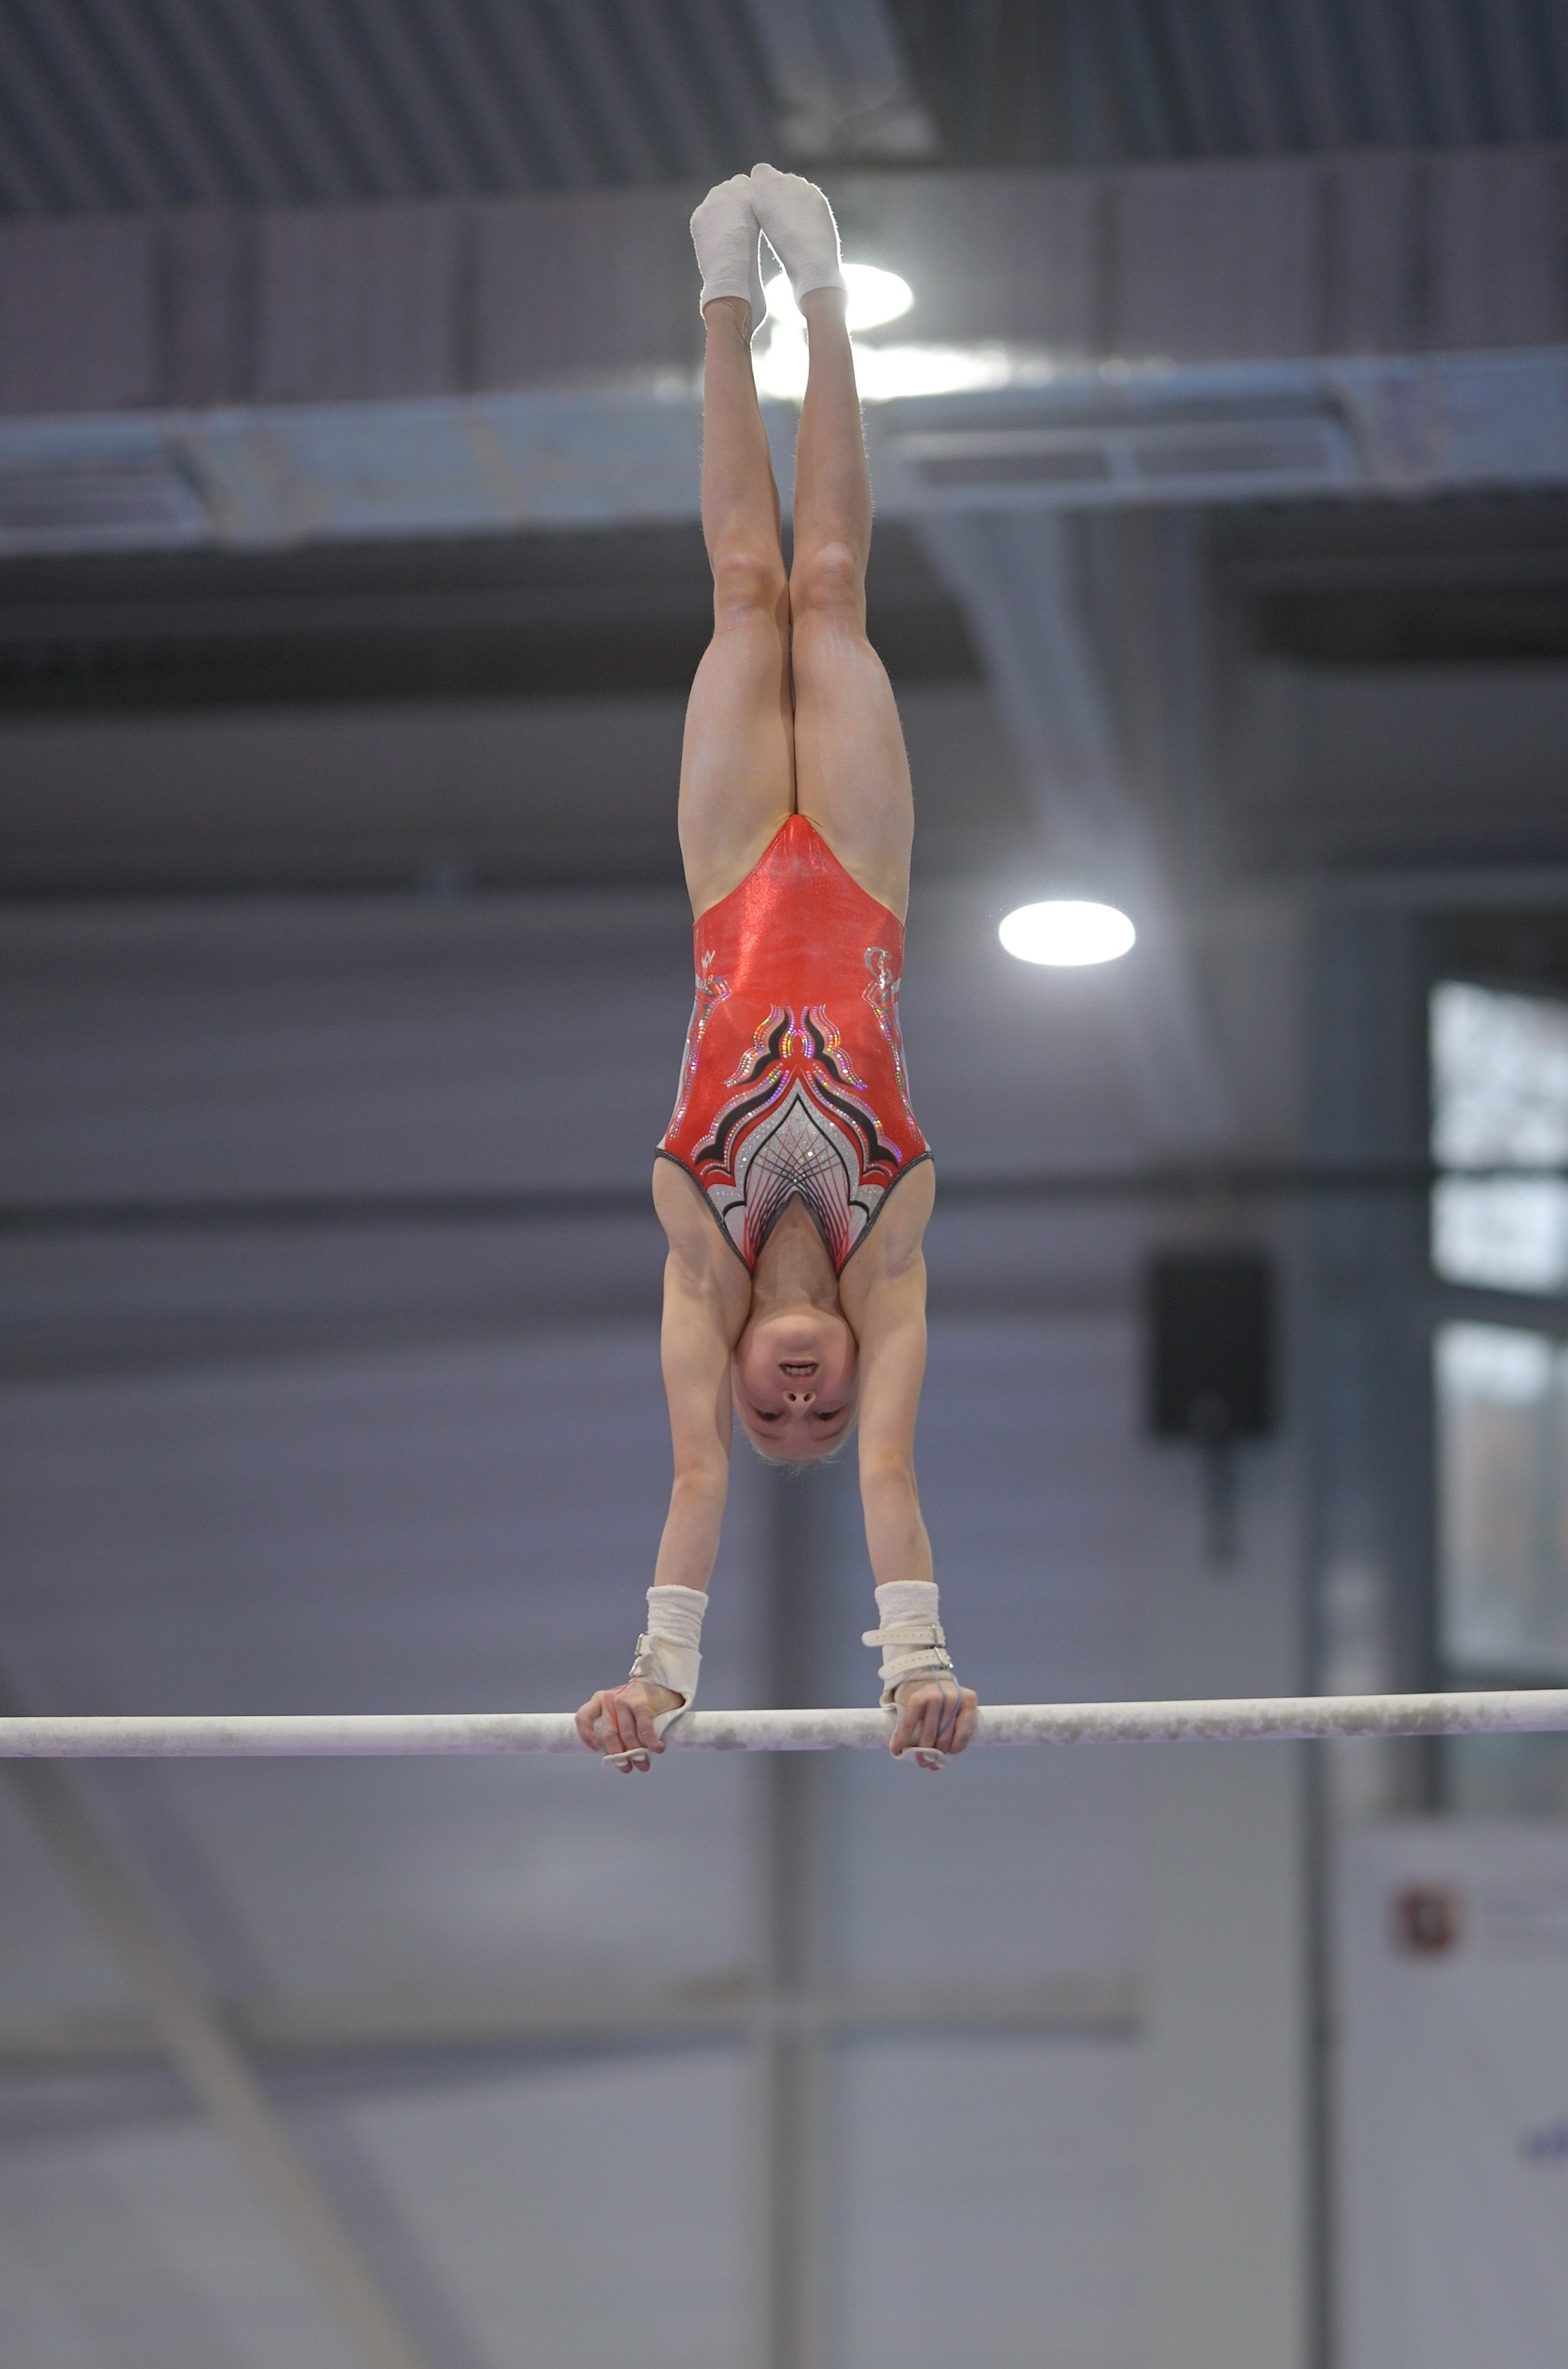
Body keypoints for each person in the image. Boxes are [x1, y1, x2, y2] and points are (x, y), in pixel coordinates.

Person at [575, 166, 978, 1776]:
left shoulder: (696, 1238)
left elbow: (687, 1486)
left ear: (735, 1372)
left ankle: (718, 298)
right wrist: (921, 1670)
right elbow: (893, 1479)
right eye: (824, 1408)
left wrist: (653, 1681)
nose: (804, 1403)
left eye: (774, 1413)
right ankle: (821, 295)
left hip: (733, 869)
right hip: (864, 882)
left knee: (748, 589)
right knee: (832, 590)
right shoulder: (890, 1249)